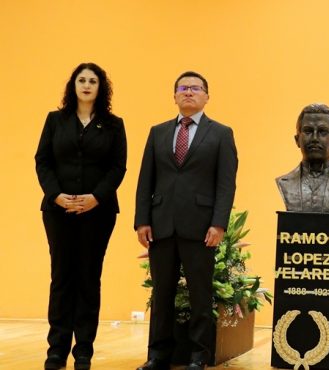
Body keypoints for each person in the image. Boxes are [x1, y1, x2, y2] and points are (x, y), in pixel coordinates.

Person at [134, 71, 238, 370]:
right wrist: (142, 220)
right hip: (161, 225)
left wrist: (218, 224)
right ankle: (157, 356)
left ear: (207, 96)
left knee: (200, 295)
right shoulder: (158, 132)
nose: (188, 92)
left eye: (196, 88)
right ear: (174, 96)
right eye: (183, 88)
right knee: (161, 293)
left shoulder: (221, 134)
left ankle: (199, 356)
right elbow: (146, 180)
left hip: (201, 227)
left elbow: (225, 184)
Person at [35, 62, 127, 370]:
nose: (86, 85)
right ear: (72, 86)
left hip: (97, 213)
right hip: (58, 211)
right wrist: (56, 196)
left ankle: (84, 350)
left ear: (101, 88)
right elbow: (43, 161)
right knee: (61, 277)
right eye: (81, 80)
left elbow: (117, 167)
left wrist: (95, 198)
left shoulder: (113, 124)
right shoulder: (55, 120)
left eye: (93, 81)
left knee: (89, 278)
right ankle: (56, 350)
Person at [276, 103, 329, 213]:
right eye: (308, 131)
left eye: (322, 132)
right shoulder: (284, 183)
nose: (314, 138)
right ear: (297, 140)